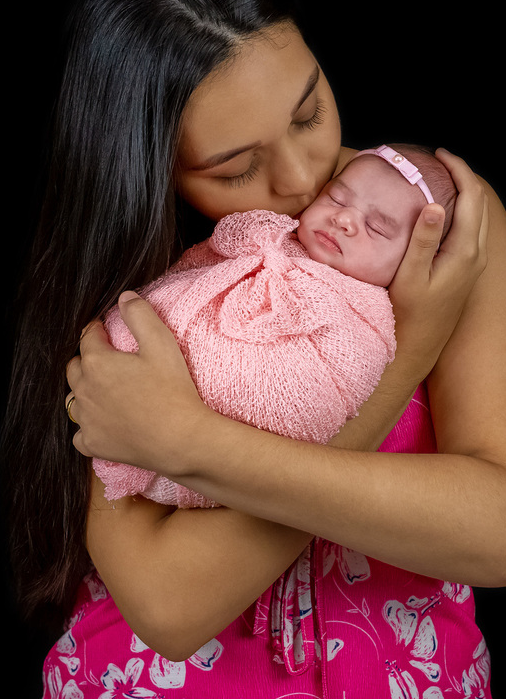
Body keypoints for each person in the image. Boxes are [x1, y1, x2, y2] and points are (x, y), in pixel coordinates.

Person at [1, 0, 506, 698]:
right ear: (148, 165)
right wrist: (407, 357)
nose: (304, 179)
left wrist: (191, 442)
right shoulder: (133, 293)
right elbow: (169, 604)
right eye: (235, 167)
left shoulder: (434, 225)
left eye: (309, 112)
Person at [93, 144, 458, 509]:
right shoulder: (272, 235)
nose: (344, 219)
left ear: (416, 259)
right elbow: (200, 264)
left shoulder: (367, 315)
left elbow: (326, 392)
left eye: (377, 228)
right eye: (336, 197)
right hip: (137, 384)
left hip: (232, 451)